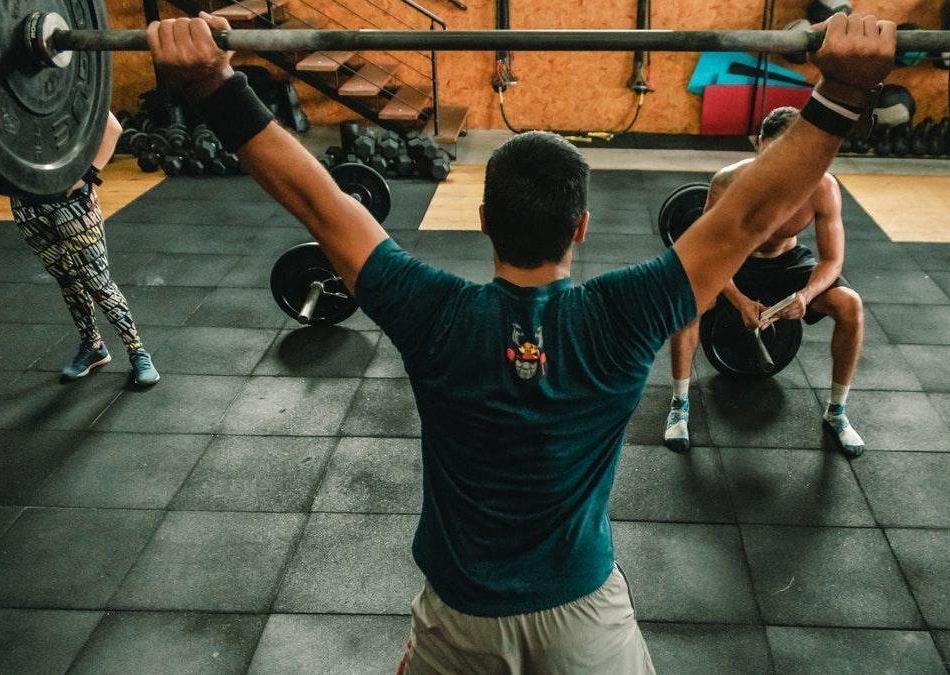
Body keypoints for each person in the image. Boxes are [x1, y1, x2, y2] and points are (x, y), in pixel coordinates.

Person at [147, 12, 895, 673]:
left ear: (482, 219)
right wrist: (840, 96)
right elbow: (745, 219)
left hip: (461, 622)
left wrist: (214, 83)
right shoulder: (624, 315)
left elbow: (318, 199)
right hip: (584, 622)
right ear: (582, 227)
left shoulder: (431, 312)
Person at [663, 107, 866, 458]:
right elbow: (706, 250)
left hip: (789, 265)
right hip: (734, 261)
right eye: (772, 154)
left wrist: (805, 295)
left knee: (850, 305)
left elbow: (832, 259)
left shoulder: (822, 186)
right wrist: (738, 299)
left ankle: (837, 411)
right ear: (759, 144)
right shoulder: (728, 181)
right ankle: (679, 405)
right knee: (688, 301)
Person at [9, 113, 160, 386]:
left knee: (98, 282)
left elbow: (112, 128)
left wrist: (87, 175)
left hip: (72, 203)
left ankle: (138, 351)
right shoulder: (1, 94)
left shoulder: (64, 83)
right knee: (66, 279)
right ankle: (93, 346)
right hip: (26, 204)